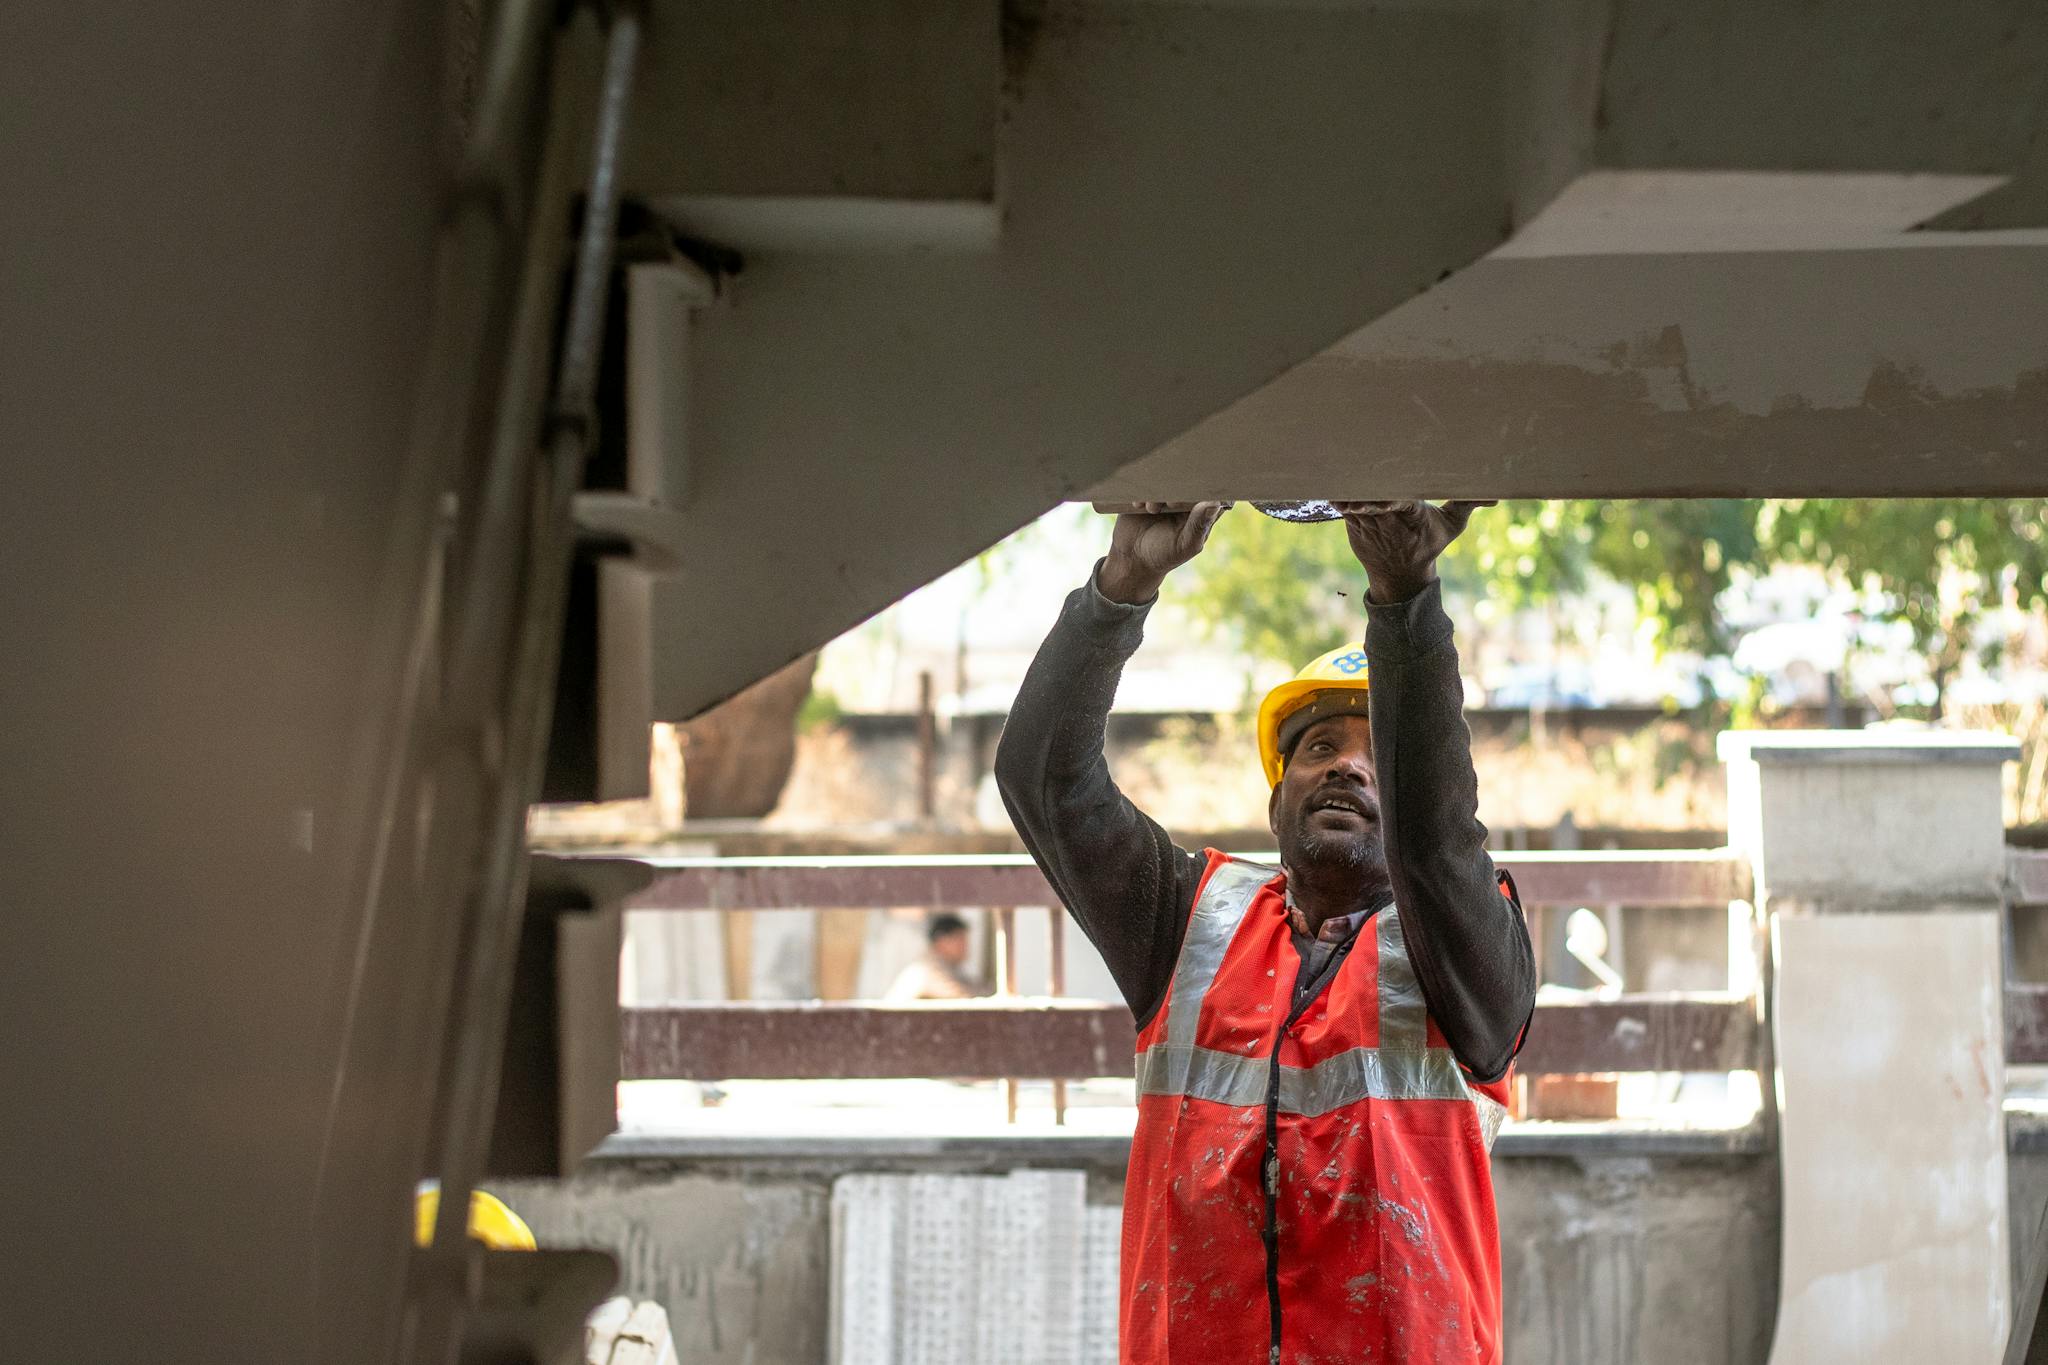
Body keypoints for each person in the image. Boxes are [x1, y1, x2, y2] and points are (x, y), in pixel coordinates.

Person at [995, 500, 1535, 1364]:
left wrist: (1405, 600)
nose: (1347, 765)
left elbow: (1436, 843)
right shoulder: (1186, 920)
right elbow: (1044, 781)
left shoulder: (1470, 951)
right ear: (1276, 800)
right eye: (1319, 746)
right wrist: (1120, 589)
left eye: (1372, 754)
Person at [885, 912, 988, 1001]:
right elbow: (959, 996)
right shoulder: (926, 968)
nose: (965, 945)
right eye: (959, 939)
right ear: (941, 942)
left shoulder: (949, 967)